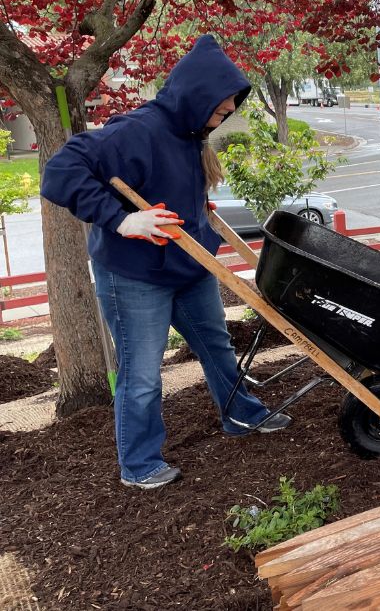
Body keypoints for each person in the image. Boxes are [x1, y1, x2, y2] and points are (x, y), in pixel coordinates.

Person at [40, 34, 291, 489]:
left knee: (217, 347)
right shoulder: (134, 130)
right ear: (196, 99)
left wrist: (196, 212)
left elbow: (169, 184)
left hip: (189, 268)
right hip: (136, 277)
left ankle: (241, 415)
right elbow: (60, 172)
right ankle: (139, 464)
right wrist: (121, 220)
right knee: (142, 372)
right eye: (219, 111)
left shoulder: (191, 133)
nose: (222, 119)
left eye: (228, 112)